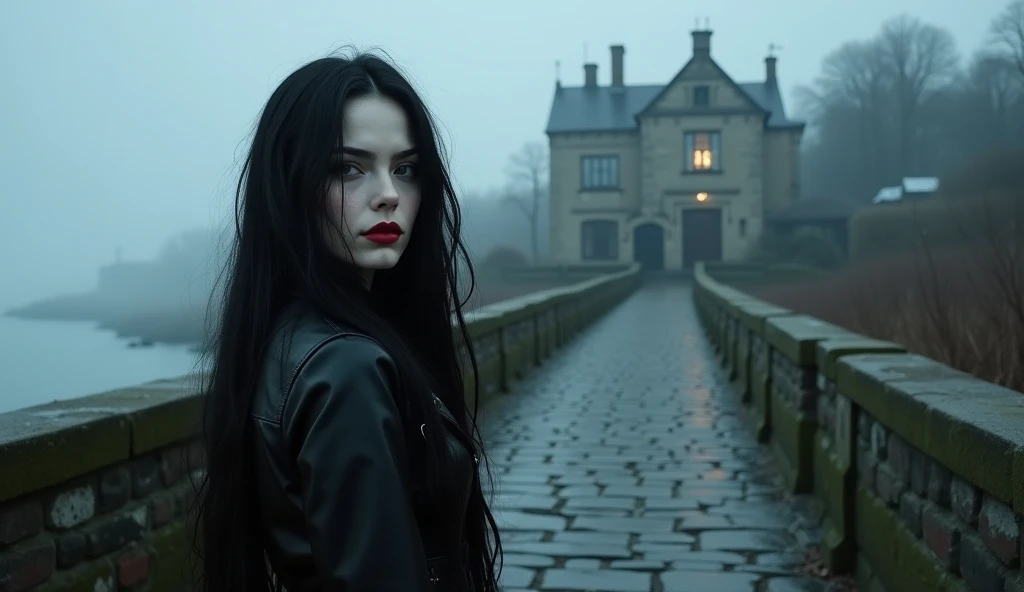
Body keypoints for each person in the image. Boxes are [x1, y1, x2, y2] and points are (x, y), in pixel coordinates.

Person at [191, 50, 503, 591]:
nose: (387, 195)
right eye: (349, 168)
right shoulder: (346, 368)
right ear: (292, 182)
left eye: (405, 169)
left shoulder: (289, 338)